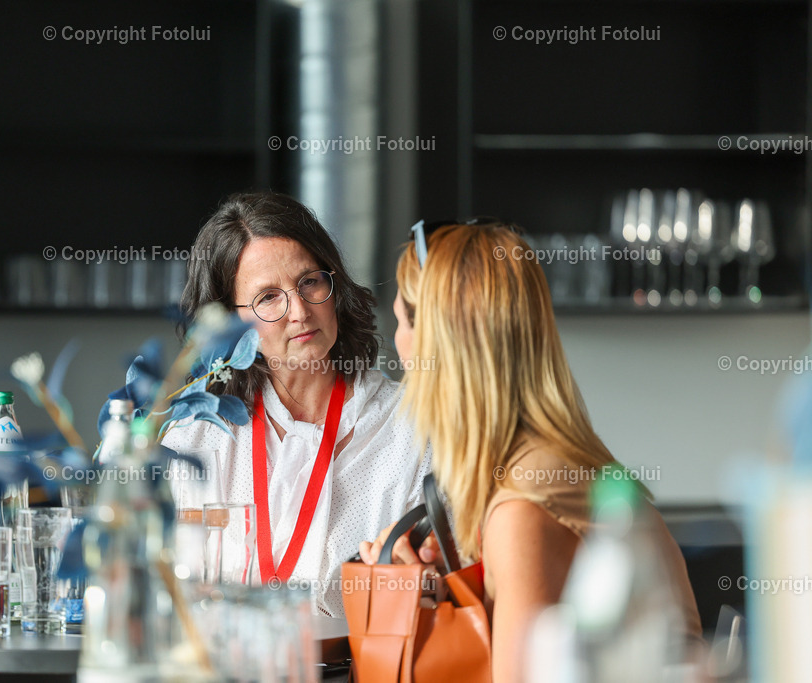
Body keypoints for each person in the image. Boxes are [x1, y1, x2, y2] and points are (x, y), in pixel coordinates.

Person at [359, 220, 703, 681]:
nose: (396, 345)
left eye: (402, 320)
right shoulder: (557, 464)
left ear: (443, 343)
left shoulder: (521, 508)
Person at [161, 191, 431, 616]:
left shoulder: (417, 430)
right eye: (268, 297)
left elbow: (446, 590)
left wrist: (425, 580)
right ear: (227, 322)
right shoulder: (195, 437)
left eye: (310, 282)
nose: (300, 312)